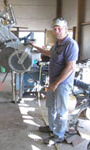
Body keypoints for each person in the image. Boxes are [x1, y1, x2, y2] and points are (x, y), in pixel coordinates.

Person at [30, 17, 79, 145]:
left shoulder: (71, 44)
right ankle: (52, 128)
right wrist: (36, 47)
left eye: (59, 29)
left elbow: (70, 67)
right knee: (50, 106)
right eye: (54, 28)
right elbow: (49, 53)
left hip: (62, 83)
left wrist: (56, 84)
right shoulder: (57, 44)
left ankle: (59, 135)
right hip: (53, 81)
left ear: (65, 29)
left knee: (61, 110)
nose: (57, 31)